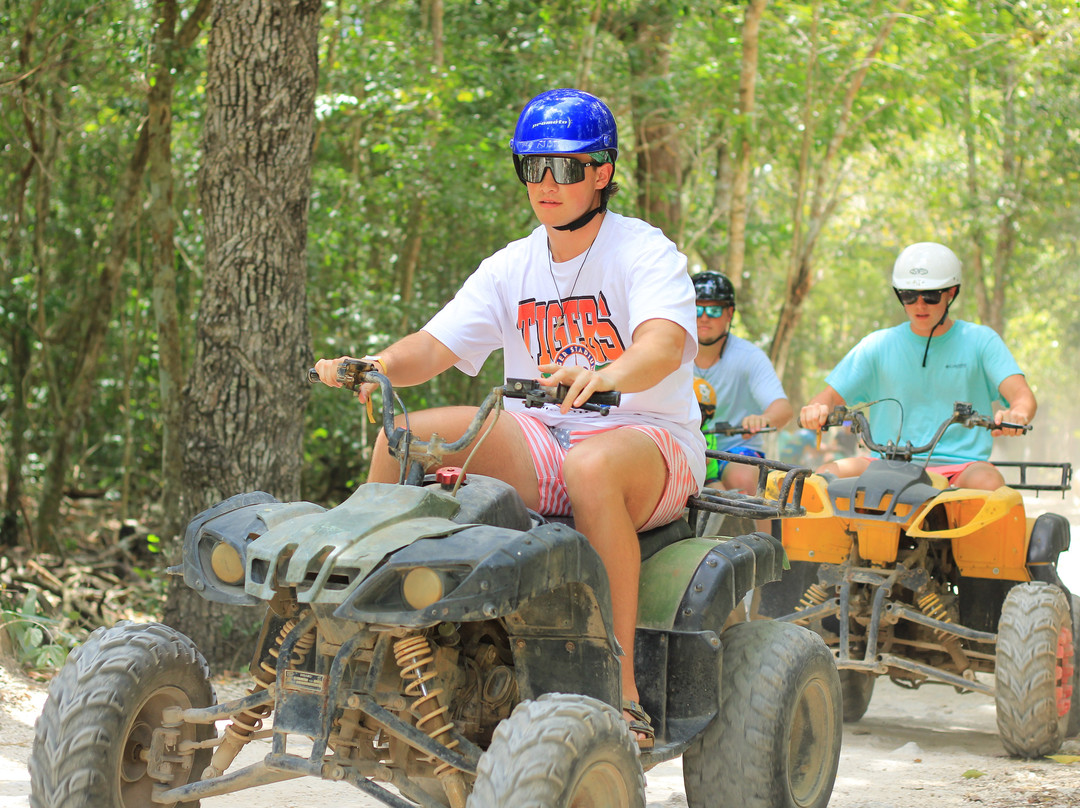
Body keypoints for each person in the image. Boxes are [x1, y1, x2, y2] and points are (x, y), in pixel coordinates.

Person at [314, 88, 704, 748]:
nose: (548, 184)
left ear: (602, 173)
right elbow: (435, 346)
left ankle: (621, 690)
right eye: (534, 168)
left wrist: (604, 376)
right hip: (541, 438)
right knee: (403, 438)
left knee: (591, 465)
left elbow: (664, 343)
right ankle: (368, 646)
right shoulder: (511, 264)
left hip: (644, 438)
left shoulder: (644, 250)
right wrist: (375, 363)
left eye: (567, 168)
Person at [799, 241, 1036, 489]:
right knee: (823, 477)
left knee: (988, 483)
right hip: (885, 462)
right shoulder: (878, 344)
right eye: (909, 296)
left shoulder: (980, 341)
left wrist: (1018, 413)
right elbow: (829, 396)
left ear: (951, 293)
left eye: (931, 296)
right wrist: (816, 409)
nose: (919, 305)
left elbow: (1022, 395)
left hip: (961, 467)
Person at [692, 271, 793, 530]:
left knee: (745, 480)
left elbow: (783, 409)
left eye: (714, 310)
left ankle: (765, 561)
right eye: (697, 308)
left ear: (730, 313)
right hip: (682, 447)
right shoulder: (669, 350)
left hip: (734, 450)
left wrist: (764, 418)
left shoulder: (749, 356)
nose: (704, 317)